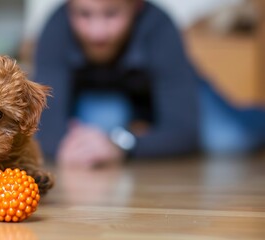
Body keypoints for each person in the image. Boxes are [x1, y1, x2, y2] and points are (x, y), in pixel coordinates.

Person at [34, 0, 265, 168]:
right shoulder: (56, 26)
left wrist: (121, 145)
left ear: (137, 6)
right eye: (84, 15)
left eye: (112, 14)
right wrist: (66, 146)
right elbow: (42, 126)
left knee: (228, 138)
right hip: (112, 106)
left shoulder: (160, 25)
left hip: (173, 99)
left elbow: (184, 131)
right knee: (104, 119)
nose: (98, 33)